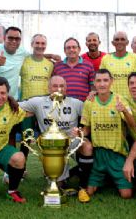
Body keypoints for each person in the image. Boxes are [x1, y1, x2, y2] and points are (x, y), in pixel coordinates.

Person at [19, 75, 93, 203]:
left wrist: (81, 131)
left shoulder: (76, 103)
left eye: (62, 86)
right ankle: (64, 178)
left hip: (71, 141)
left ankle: (82, 187)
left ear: (66, 88)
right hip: (52, 147)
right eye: (55, 86)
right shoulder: (38, 102)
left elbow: (92, 115)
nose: (59, 88)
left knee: (86, 146)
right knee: (58, 186)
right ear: (48, 88)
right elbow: (16, 106)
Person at [75, 69, 136, 199]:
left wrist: (124, 111)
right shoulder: (89, 102)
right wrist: (79, 132)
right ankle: (102, 177)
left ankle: (112, 178)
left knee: (126, 195)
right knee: (89, 192)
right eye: (99, 81)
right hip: (99, 154)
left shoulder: (120, 100)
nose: (102, 84)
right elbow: (87, 129)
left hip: (117, 154)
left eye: (105, 80)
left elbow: (133, 125)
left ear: (111, 82)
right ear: (94, 84)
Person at [100, 31, 136, 97]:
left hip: (130, 99)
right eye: (117, 40)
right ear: (113, 43)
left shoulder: (135, 57)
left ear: (127, 42)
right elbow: (101, 80)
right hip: (111, 99)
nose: (119, 42)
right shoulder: (105, 58)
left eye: (122, 39)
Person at [53, 37, 95, 101]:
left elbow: (93, 86)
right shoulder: (57, 66)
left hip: (82, 105)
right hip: (62, 105)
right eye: (68, 48)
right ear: (65, 50)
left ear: (79, 49)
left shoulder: (88, 65)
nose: (71, 50)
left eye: (74, 47)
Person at [20, 34, 54, 100]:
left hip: (44, 104)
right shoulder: (23, 61)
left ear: (46, 45)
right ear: (32, 44)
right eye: (37, 43)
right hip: (27, 104)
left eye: (43, 43)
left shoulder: (50, 64)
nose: (40, 46)